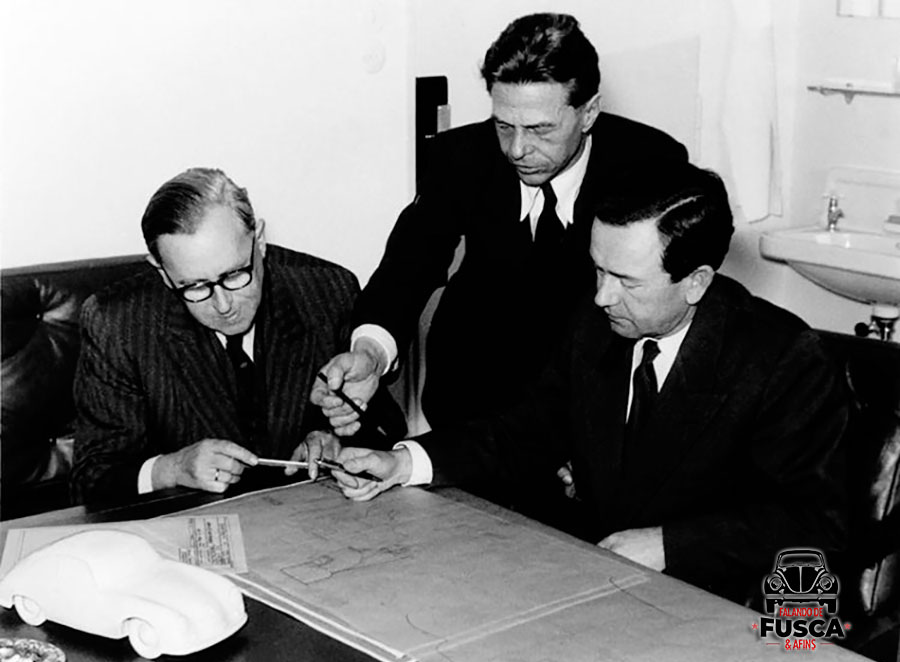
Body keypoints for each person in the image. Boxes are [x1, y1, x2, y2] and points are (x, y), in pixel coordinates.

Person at [327, 162, 848, 602]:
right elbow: (526, 431)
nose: (602, 297)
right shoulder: (598, 324)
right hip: (602, 583)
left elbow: (822, 525)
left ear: (696, 282)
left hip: (720, 606)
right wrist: (405, 462)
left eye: (626, 281)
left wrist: (670, 545)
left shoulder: (782, 359)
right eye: (599, 270)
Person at [312, 12, 688, 438]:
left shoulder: (650, 164)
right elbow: (408, 266)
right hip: (470, 401)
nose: (517, 150)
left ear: (588, 113)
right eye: (504, 126)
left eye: (540, 129)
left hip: (591, 411)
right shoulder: (461, 157)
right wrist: (371, 352)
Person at [71, 167, 403, 505]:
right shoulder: (118, 323)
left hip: (310, 516)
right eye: (194, 286)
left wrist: (335, 441)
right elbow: (92, 479)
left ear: (259, 240)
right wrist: (170, 470)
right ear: (162, 271)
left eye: (234, 275)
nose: (223, 304)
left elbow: (387, 428)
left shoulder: (326, 291)